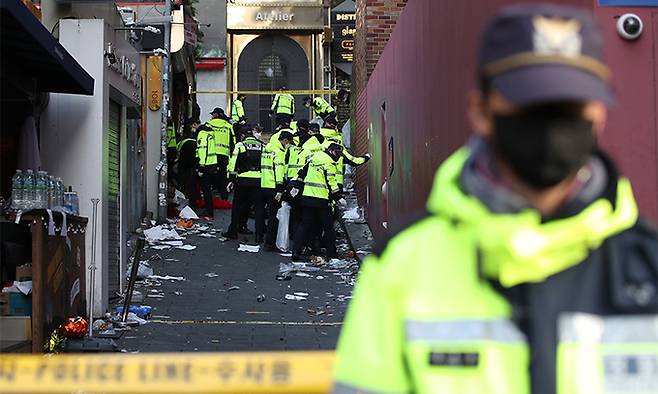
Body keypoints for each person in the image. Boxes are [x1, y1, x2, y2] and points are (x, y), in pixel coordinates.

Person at [333, 4, 658, 394]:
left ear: (600, 113)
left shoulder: (650, 268)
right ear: (481, 111)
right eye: (530, 102)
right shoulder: (401, 268)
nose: (551, 121)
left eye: (569, 105)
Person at [288, 143, 346, 261]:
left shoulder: (313, 158)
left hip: (307, 199)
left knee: (304, 225)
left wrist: (297, 187)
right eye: (337, 153)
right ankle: (332, 254)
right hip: (322, 201)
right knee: (328, 228)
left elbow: (301, 173)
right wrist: (338, 197)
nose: (338, 156)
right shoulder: (329, 164)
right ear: (330, 151)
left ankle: (295, 252)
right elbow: (331, 182)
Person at [223, 126, 263, 239]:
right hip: (258, 180)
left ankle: (233, 231)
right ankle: (259, 235)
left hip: (243, 180)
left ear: (242, 135)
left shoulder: (240, 146)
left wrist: (231, 179)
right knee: (258, 208)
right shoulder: (262, 146)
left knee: (237, 206)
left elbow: (233, 164)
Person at [258, 130, 295, 250]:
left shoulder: (266, 149)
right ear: (285, 140)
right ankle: (270, 243)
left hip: (263, 184)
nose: (288, 145)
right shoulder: (279, 152)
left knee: (262, 212)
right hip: (273, 187)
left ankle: (260, 236)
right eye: (288, 142)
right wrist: (280, 189)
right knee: (274, 216)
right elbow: (279, 172)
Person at [207, 107, 235, 201]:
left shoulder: (208, 124)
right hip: (224, 155)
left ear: (216, 114)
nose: (211, 116)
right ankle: (224, 198)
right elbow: (233, 141)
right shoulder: (228, 125)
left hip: (211, 154)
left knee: (208, 177)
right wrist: (231, 154)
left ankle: (209, 200)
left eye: (213, 114)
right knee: (223, 177)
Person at [195, 123, 217, 220]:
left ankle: (208, 211)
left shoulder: (202, 134)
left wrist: (201, 167)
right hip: (212, 164)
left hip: (206, 165)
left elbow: (203, 150)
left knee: (206, 189)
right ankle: (209, 210)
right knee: (207, 189)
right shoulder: (210, 134)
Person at [177, 119, 200, 211]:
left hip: (185, 165)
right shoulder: (196, 141)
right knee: (193, 185)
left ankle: (188, 202)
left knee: (187, 184)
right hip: (194, 166)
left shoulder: (182, 143)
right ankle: (193, 203)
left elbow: (179, 155)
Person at [166, 118, 178, 184]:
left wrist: (165, 145)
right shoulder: (171, 124)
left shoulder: (169, 124)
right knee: (170, 166)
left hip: (170, 148)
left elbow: (168, 136)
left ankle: (170, 181)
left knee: (169, 166)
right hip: (172, 148)